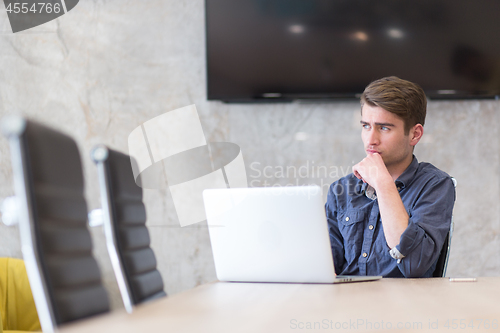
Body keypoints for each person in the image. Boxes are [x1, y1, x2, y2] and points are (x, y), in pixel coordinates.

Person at [325, 76, 456, 278]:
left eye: (384, 128)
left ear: (415, 134)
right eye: (365, 126)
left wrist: (384, 184)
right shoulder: (340, 189)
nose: (371, 140)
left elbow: (414, 265)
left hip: (404, 306)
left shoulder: (436, 185)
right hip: (347, 304)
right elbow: (325, 267)